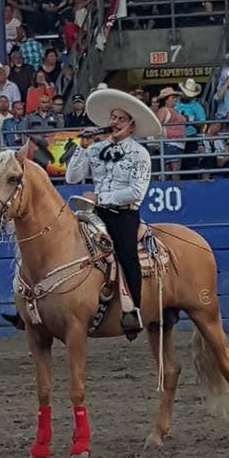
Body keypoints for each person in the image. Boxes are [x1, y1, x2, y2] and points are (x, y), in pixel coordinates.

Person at [65, 88, 160, 337]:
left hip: (122, 215)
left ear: (131, 126)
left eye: (121, 118)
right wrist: (82, 147)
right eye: (113, 117)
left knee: (127, 254)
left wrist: (101, 198)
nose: (115, 122)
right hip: (94, 212)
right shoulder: (96, 149)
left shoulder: (140, 154)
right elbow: (72, 177)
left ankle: (134, 310)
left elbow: (136, 192)